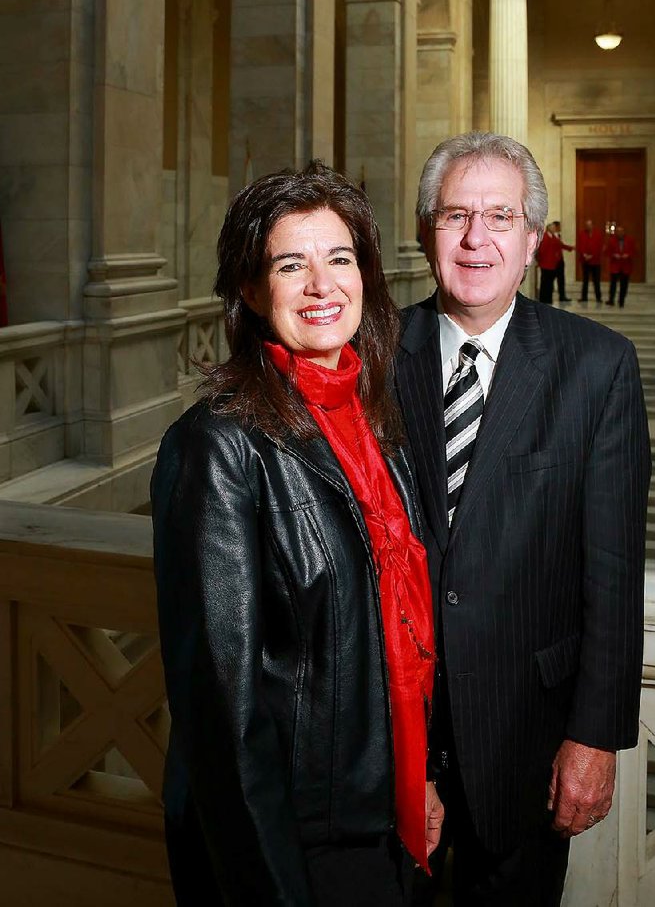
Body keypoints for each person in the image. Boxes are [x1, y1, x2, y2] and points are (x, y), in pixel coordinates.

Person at [151, 162, 443, 907]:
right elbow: (224, 713)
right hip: (299, 845)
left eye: (339, 258)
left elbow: (398, 635)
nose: (322, 285)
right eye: (291, 265)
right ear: (250, 291)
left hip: (385, 820)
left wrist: (418, 777)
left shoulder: (376, 419)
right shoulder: (216, 447)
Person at [395, 132, 651, 907]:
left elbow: (612, 570)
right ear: (424, 232)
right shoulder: (374, 354)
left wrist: (596, 735)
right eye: (455, 216)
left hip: (527, 750)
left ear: (534, 239)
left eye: (501, 217)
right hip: (389, 749)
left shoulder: (598, 366)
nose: (477, 239)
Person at [606, 224, 637, 307]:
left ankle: (621, 301)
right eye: (618, 231)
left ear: (623, 232)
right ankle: (611, 300)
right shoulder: (612, 240)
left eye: (621, 231)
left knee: (624, 285)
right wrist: (614, 255)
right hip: (615, 266)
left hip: (625, 266)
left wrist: (627, 255)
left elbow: (634, 251)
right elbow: (607, 252)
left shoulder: (630, 240)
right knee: (613, 285)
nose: (619, 233)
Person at [578, 217, 604, 304]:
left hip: (595, 261)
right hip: (585, 261)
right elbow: (580, 245)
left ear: (592, 225)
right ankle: (584, 297)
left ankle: (598, 297)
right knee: (585, 280)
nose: (588, 226)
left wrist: (592, 256)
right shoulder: (582, 234)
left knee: (596, 281)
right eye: (586, 225)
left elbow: (599, 247)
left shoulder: (598, 234)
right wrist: (584, 254)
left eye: (589, 225)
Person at [534, 222, 561, 304]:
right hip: (545, 264)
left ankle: (549, 299)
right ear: (549, 228)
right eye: (553, 228)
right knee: (545, 283)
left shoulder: (553, 237)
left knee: (550, 283)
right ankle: (544, 299)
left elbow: (558, 246)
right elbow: (541, 251)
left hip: (552, 264)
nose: (554, 229)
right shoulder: (545, 237)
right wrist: (540, 261)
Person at [550, 220, 573, 303]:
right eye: (559, 226)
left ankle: (562, 295)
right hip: (554, 261)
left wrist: (569, 248)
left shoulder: (558, 235)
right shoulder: (552, 236)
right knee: (552, 279)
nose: (560, 228)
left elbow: (560, 245)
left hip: (560, 260)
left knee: (561, 279)